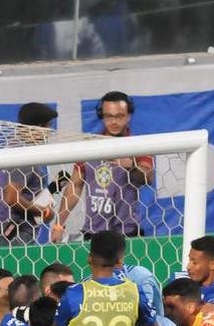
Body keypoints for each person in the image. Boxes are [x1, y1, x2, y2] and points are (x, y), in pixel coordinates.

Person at [50, 91, 154, 242]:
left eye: (119, 116)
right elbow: (75, 186)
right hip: (93, 233)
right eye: (109, 116)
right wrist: (58, 225)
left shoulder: (139, 146)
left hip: (128, 232)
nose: (114, 121)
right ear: (102, 116)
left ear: (128, 116)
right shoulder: (89, 146)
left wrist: (131, 166)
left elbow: (147, 177)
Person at [0, 103, 58, 247]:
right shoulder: (24, 156)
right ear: (38, 127)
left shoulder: (12, 147)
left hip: (3, 226)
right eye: (48, 127)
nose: (49, 132)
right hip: (15, 231)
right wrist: (42, 211)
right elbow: (12, 198)